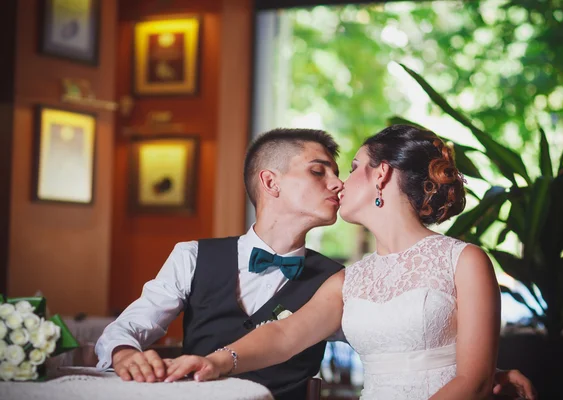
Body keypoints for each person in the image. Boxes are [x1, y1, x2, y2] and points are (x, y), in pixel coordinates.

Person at [96, 127, 536, 399]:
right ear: (270, 182)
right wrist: (206, 362)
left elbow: (421, 343)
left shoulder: (349, 274)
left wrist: (484, 372)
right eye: (318, 171)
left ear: (382, 175)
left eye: (349, 168)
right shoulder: (348, 279)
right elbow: (286, 334)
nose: (339, 182)